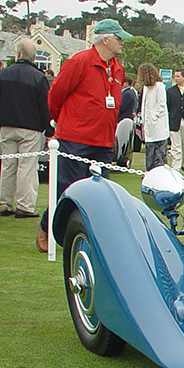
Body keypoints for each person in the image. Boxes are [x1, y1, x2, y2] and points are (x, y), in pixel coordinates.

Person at [39, 19, 132, 252]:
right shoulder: (79, 62)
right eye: (119, 38)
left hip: (102, 141)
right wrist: (68, 122)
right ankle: (46, 227)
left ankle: (92, 236)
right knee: (67, 188)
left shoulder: (118, 68)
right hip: (75, 139)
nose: (122, 43)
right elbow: (56, 96)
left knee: (101, 192)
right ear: (105, 39)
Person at [0, 38, 53, 218]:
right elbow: (44, 106)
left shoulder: (2, 74)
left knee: (8, 165)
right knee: (27, 167)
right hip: (30, 127)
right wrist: (49, 131)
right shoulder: (39, 77)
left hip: (6, 125)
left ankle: (4, 202)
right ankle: (24, 206)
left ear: (18, 54)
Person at [136, 63, 168, 170]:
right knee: (149, 155)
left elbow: (161, 105)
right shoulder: (146, 88)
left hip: (158, 126)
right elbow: (144, 106)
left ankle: (159, 175)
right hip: (148, 127)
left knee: (159, 156)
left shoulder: (160, 86)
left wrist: (153, 118)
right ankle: (149, 173)